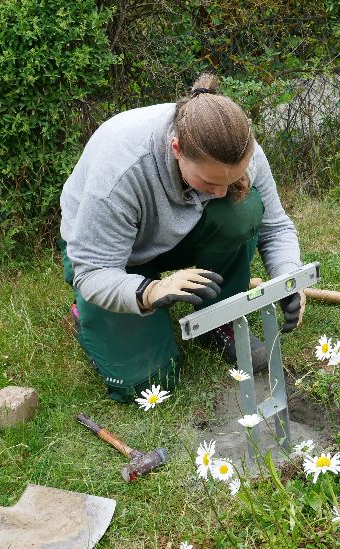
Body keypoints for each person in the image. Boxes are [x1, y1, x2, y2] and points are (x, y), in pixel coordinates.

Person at [59, 73, 305, 402]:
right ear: (177, 149)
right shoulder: (121, 172)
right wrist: (150, 291)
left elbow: (275, 225)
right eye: (209, 182)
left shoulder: (239, 146)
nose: (221, 191)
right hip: (110, 256)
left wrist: (290, 276)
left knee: (242, 209)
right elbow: (92, 270)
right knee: (152, 385)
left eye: (231, 179)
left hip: (176, 232)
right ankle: (87, 313)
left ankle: (218, 316)